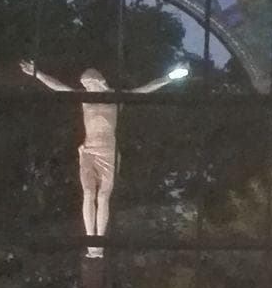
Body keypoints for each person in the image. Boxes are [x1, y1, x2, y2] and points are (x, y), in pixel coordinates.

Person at [20, 60, 185, 256]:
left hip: (108, 152)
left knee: (103, 196)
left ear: (99, 82)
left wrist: (168, 78)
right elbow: (59, 87)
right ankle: (92, 241)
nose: (87, 88)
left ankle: (99, 241)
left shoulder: (115, 98)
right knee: (88, 193)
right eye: (85, 85)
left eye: (89, 84)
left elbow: (145, 90)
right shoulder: (84, 98)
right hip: (88, 150)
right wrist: (37, 73)